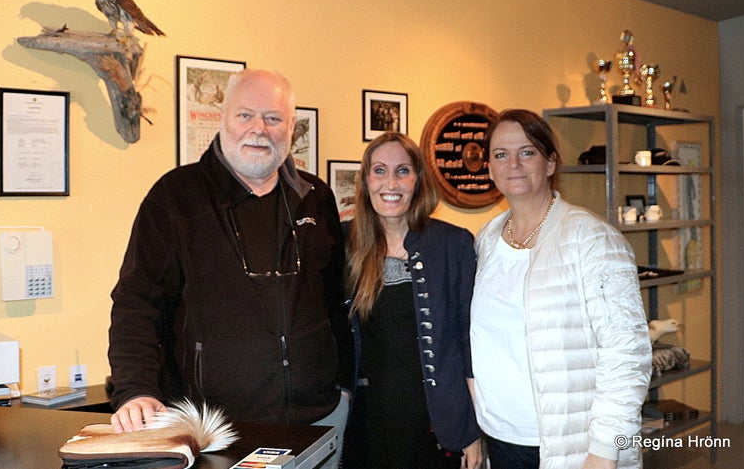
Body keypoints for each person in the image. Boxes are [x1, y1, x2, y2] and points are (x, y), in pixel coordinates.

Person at [107, 69, 353, 466]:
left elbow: (333, 301)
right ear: (222, 120)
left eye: (273, 118)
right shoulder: (175, 197)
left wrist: (341, 385)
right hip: (214, 431)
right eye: (245, 115)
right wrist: (135, 389)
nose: (259, 129)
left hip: (318, 419)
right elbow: (136, 304)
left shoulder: (316, 198)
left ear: (291, 127)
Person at [469, 109, 652, 469]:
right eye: (501, 154)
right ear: (489, 168)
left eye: (527, 152)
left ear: (550, 163)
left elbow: (627, 352)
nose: (514, 164)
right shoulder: (487, 239)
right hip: (500, 436)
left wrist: (604, 450)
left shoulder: (592, 238)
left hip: (571, 444)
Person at [343, 132, 482, 469]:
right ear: (365, 180)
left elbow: (469, 343)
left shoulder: (453, 244)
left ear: (418, 180)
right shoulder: (342, 243)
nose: (390, 182)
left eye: (402, 171)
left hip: (437, 419)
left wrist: (474, 430)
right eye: (379, 170)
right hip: (366, 420)